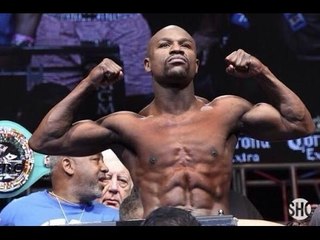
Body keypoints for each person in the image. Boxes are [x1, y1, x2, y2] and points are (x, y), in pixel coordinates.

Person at [29, 25, 315, 218]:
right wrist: (89, 82)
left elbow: (299, 124)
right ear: (147, 64)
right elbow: (44, 141)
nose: (176, 49)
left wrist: (261, 72)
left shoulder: (228, 111)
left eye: (186, 45)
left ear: (196, 61)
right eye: (165, 45)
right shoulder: (127, 125)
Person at [0, 153, 119, 226]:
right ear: (68, 166)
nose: (105, 168)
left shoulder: (114, 217)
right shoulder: (16, 212)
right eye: (96, 160)